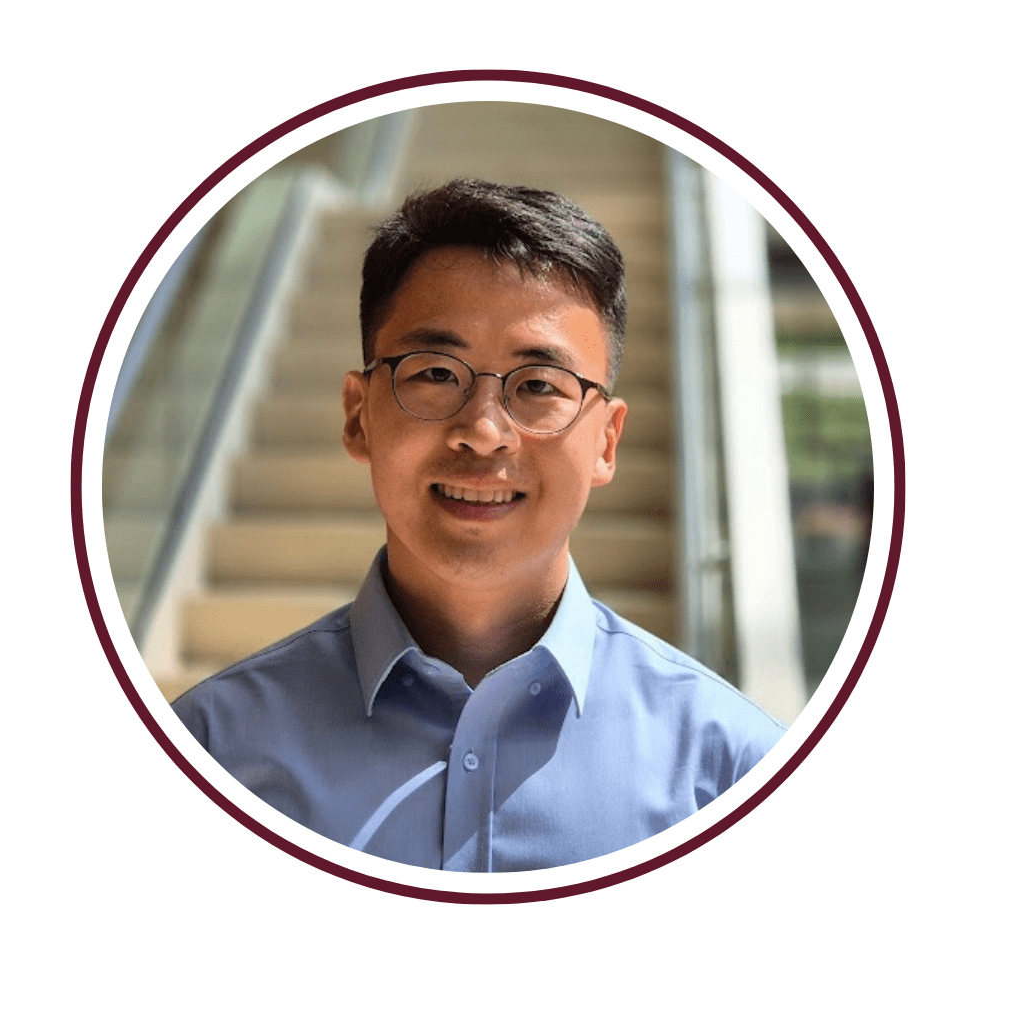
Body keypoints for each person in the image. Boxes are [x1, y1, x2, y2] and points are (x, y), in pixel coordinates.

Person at [173, 178, 785, 872]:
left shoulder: (733, 774)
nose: (484, 432)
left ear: (607, 443)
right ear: (357, 414)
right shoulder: (208, 754)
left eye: (537, 386)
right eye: (435, 373)